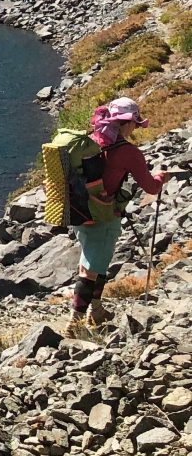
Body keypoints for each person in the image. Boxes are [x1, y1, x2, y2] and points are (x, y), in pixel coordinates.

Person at [69, 96, 169, 333]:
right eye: (135, 122)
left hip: (79, 211)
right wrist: (161, 178)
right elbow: (151, 188)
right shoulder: (129, 152)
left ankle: (96, 310)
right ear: (126, 123)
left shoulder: (91, 142)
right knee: (90, 269)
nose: (135, 127)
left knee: (95, 260)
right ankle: (74, 324)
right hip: (104, 215)